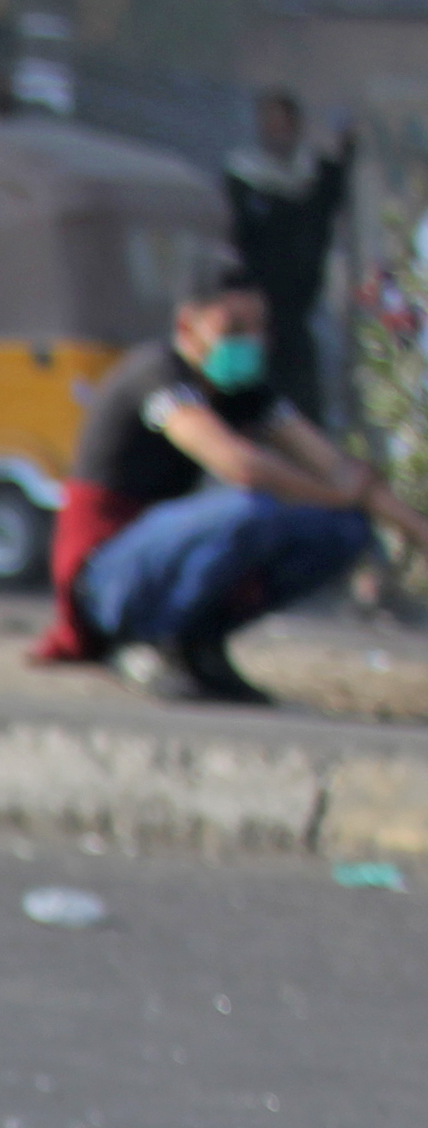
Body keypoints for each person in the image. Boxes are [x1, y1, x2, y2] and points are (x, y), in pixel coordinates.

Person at [32, 264, 428, 706]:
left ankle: (201, 643)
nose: (251, 341)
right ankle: (147, 641)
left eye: (259, 328)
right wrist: (334, 493)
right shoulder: (156, 373)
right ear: (188, 326)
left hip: (165, 556)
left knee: (345, 529)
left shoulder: (244, 392)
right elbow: (239, 465)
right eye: (234, 327)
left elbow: (343, 473)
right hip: (107, 576)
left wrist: (415, 529)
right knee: (250, 509)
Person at [225, 90, 354, 426]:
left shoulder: (314, 175)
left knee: (304, 395)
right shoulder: (244, 178)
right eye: (271, 124)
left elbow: (331, 198)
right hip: (260, 304)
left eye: (285, 124)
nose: (278, 132)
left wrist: (347, 146)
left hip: (302, 305)